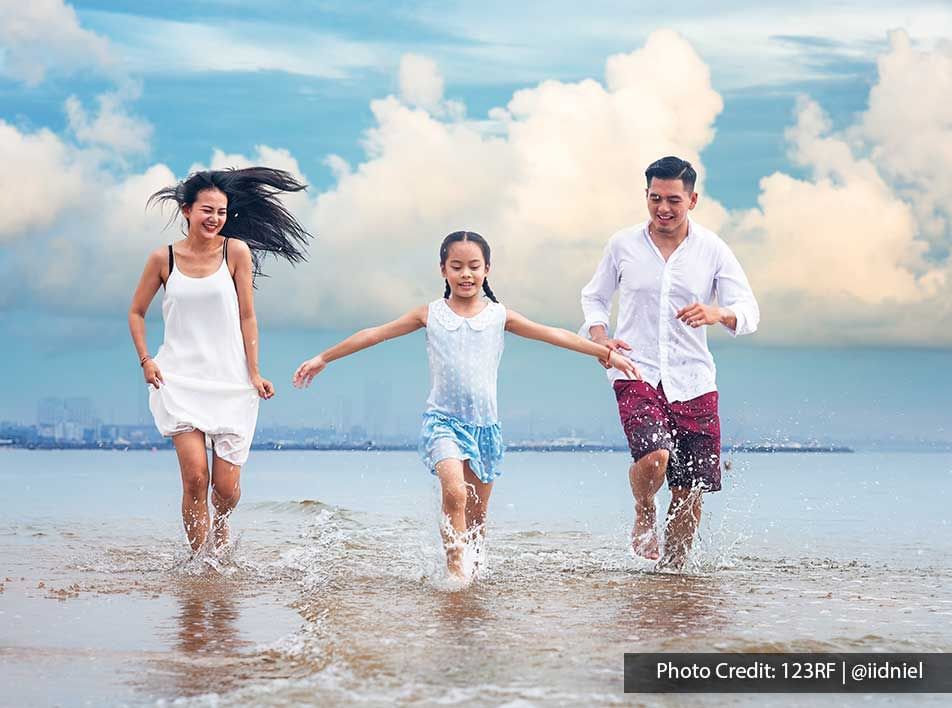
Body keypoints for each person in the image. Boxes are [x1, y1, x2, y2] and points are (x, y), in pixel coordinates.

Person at [293, 231, 640, 582]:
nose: (466, 274)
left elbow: (555, 334)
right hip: (443, 422)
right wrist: (324, 357)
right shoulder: (430, 314)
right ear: (443, 270)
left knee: (476, 519)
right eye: (456, 266)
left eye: (474, 266)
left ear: (487, 269)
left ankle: (472, 577)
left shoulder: (499, 316)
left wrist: (606, 353)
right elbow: (373, 333)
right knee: (455, 492)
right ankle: (455, 574)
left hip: (485, 427)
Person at [579, 156, 759, 569]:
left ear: (692, 200)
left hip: (694, 380)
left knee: (689, 489)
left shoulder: (713, 250)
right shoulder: (622, 245)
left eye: (673, 200)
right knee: (655, 456)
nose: (663, 208)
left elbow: (749, 311)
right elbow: (594, 297)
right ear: (646, 196)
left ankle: (673, 576)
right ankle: (644, 510)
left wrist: (717, 314)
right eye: (655, 198)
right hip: (635, 369)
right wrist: (601, 339)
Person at [128, 167, 311, 553]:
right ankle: (200, 564)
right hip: (178, 380)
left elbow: (248, 316)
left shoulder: (235, 252)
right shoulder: (163, 259)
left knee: (224, 491)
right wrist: (146, 359)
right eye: (207, 210)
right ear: (187, 211)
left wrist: (255, 372)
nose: (214, 218)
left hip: (231, 382)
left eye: (222, 212)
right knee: (195, 479)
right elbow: (136, 312)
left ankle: (222, 528)